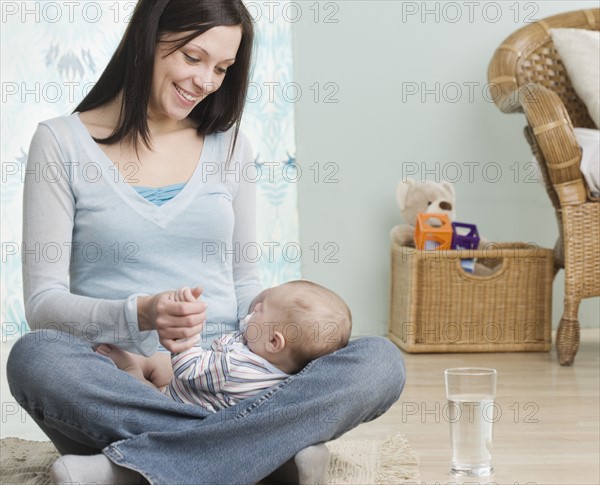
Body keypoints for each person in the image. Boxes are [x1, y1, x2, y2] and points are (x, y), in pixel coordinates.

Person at [6, 0, 406, 484]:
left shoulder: (230, 144)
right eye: (193, 58)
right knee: (35, 356)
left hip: (235, 379)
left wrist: (242, 359)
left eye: (222, 67)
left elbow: (244, 282)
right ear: (148, 40)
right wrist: (141, 314)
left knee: (379, 362)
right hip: (124, 384)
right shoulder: (61, 143)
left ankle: (130, 471)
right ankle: (263, 457)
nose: (207, 81)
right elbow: (44, 304)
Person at [97, 280, 353, 412]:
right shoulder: (279, 365)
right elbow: (251, 328)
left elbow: (189, 368)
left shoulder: (234, 368)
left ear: (275, 342)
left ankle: (130, 369)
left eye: (261, 310)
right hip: (203, 389)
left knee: (142, 389)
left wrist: (184, 338)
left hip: (177, 407)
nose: (254, 309)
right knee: (155, 361)